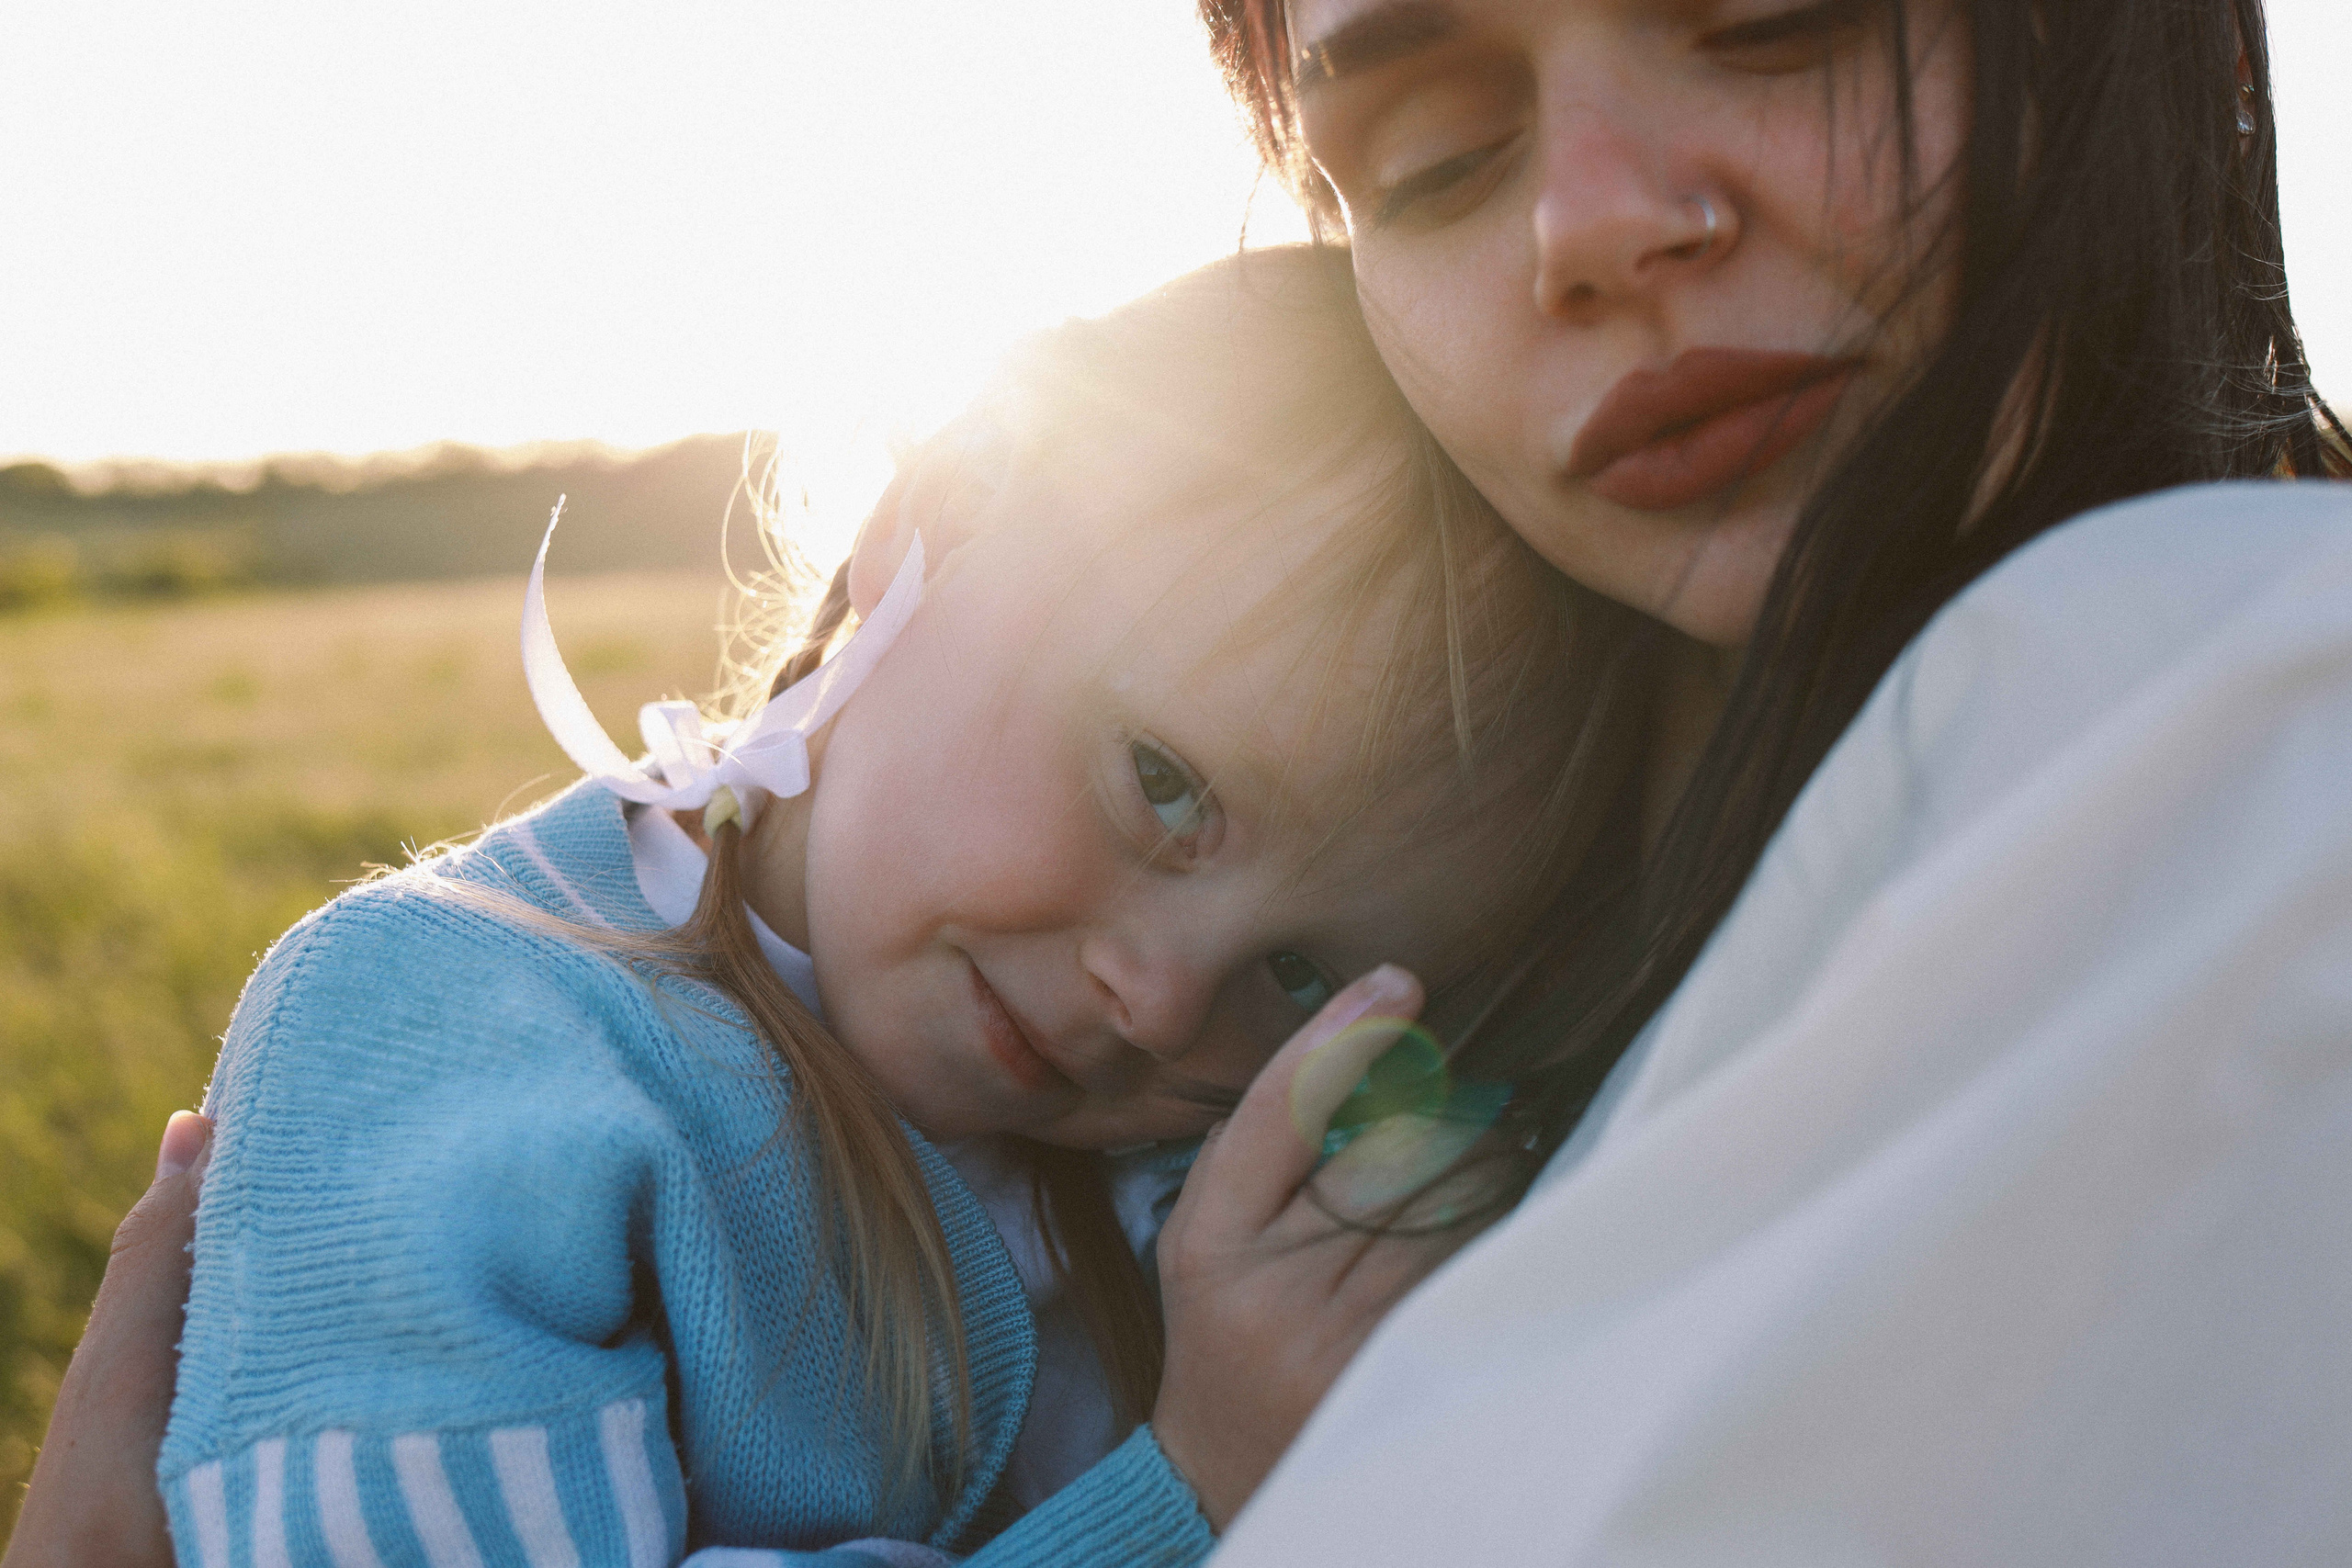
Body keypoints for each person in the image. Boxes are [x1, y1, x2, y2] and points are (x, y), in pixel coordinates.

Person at [15, 0, 2352, 1562]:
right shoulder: (510, 1041)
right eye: (1427, 153)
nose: (1588, 220)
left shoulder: (2221, 733)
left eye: (1764, 8)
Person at [15, 248, 1639, 1568]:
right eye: (1163, 781)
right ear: (935, 514)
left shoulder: (1207, 1185)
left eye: (1304, 971)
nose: (1159, 995)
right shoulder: (455, 1027)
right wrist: (1189, 1497)